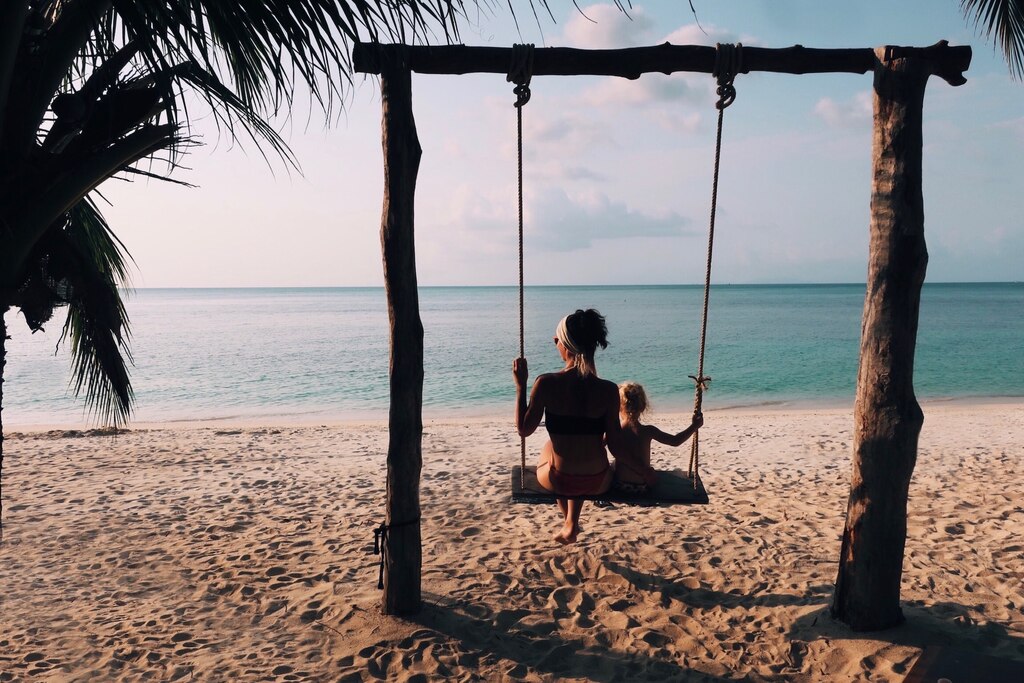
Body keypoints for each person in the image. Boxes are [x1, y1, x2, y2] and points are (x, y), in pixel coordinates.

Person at [513, 308, 620, 545]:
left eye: (557, 340)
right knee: (582, 449)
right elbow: (616, 445)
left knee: (551, 447)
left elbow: (523, 429)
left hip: (559, 480)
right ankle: (571, 523)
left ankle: (570, 523)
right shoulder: (609, 390)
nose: (555, 343)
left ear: (565, 345)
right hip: (599, 481)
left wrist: (521, 386)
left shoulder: (546, 383)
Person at [609, 382, 704, 495]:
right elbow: (675, 441)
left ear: (619, 407)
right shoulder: (648, 431)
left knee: (613, 465)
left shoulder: (615, 429)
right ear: (643, 407)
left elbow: (599, 445)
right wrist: (694, 426)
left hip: (620, 486)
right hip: (642, 487)